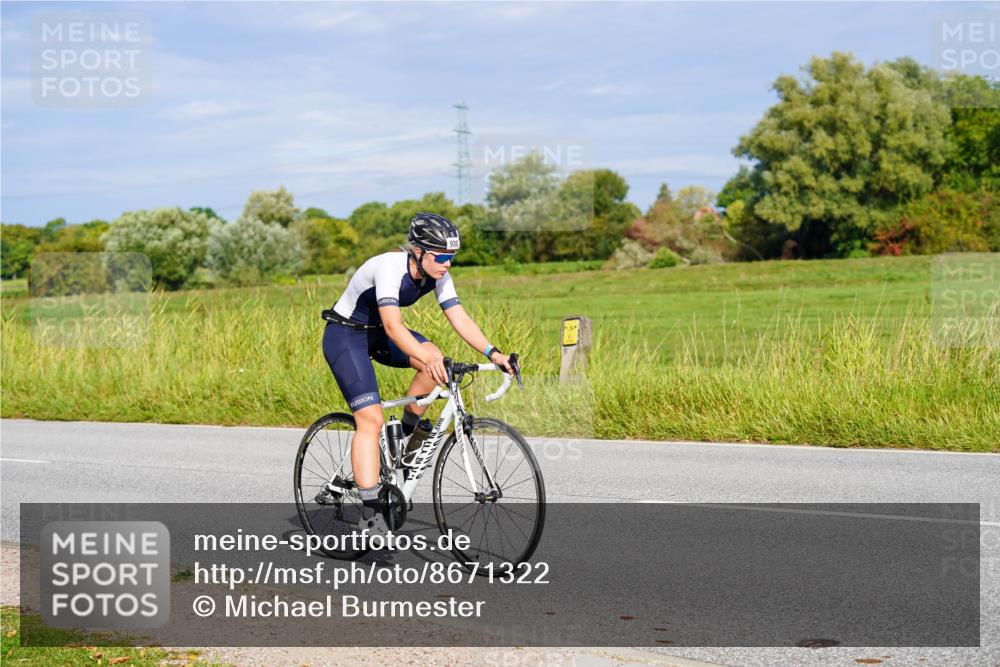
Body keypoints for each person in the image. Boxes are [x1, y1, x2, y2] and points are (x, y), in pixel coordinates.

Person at [321, 212, 514, 525]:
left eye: (452, 257)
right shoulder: (389, 267)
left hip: (380, 334)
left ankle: (406, 445)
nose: (447, 264)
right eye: (441, 257)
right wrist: (427, 358)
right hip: (347, 336)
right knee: (371, 419)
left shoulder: (438, 275)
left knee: (434, 359)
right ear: (419, 251)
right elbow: (395, 328)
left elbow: (459, 318)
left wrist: (494, 353)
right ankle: (373, 514)